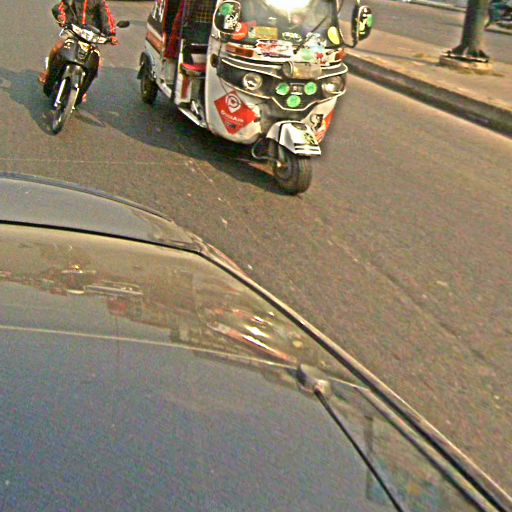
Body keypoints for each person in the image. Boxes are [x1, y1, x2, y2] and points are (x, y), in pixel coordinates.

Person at [39, 0, 119, 86]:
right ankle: (48, 72)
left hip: (91, 36)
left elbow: (106, 17)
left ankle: (83, 87)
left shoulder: (99, 2)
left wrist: (111, 34)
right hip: (73, 30)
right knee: (58, 47)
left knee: (97, 62)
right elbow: (59, 7)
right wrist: (61, 17)